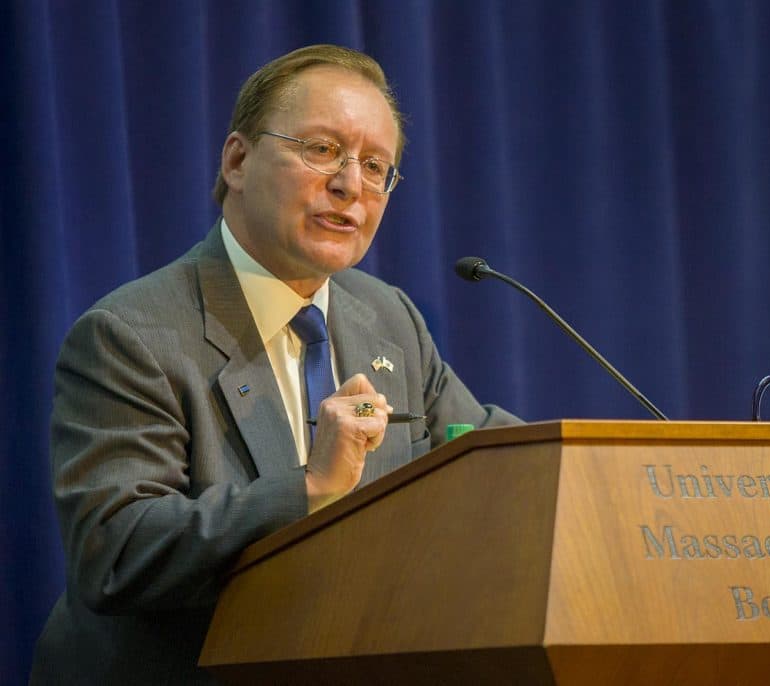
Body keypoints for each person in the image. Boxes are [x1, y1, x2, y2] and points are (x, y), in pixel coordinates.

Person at [31, 44, 518, 685]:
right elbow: (115, 553)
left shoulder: (387, 317)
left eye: (377, 167)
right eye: (321, 150)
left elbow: (481, 452)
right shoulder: (132, 335)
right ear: (238, 159)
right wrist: (310, 488)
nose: (351, 184)